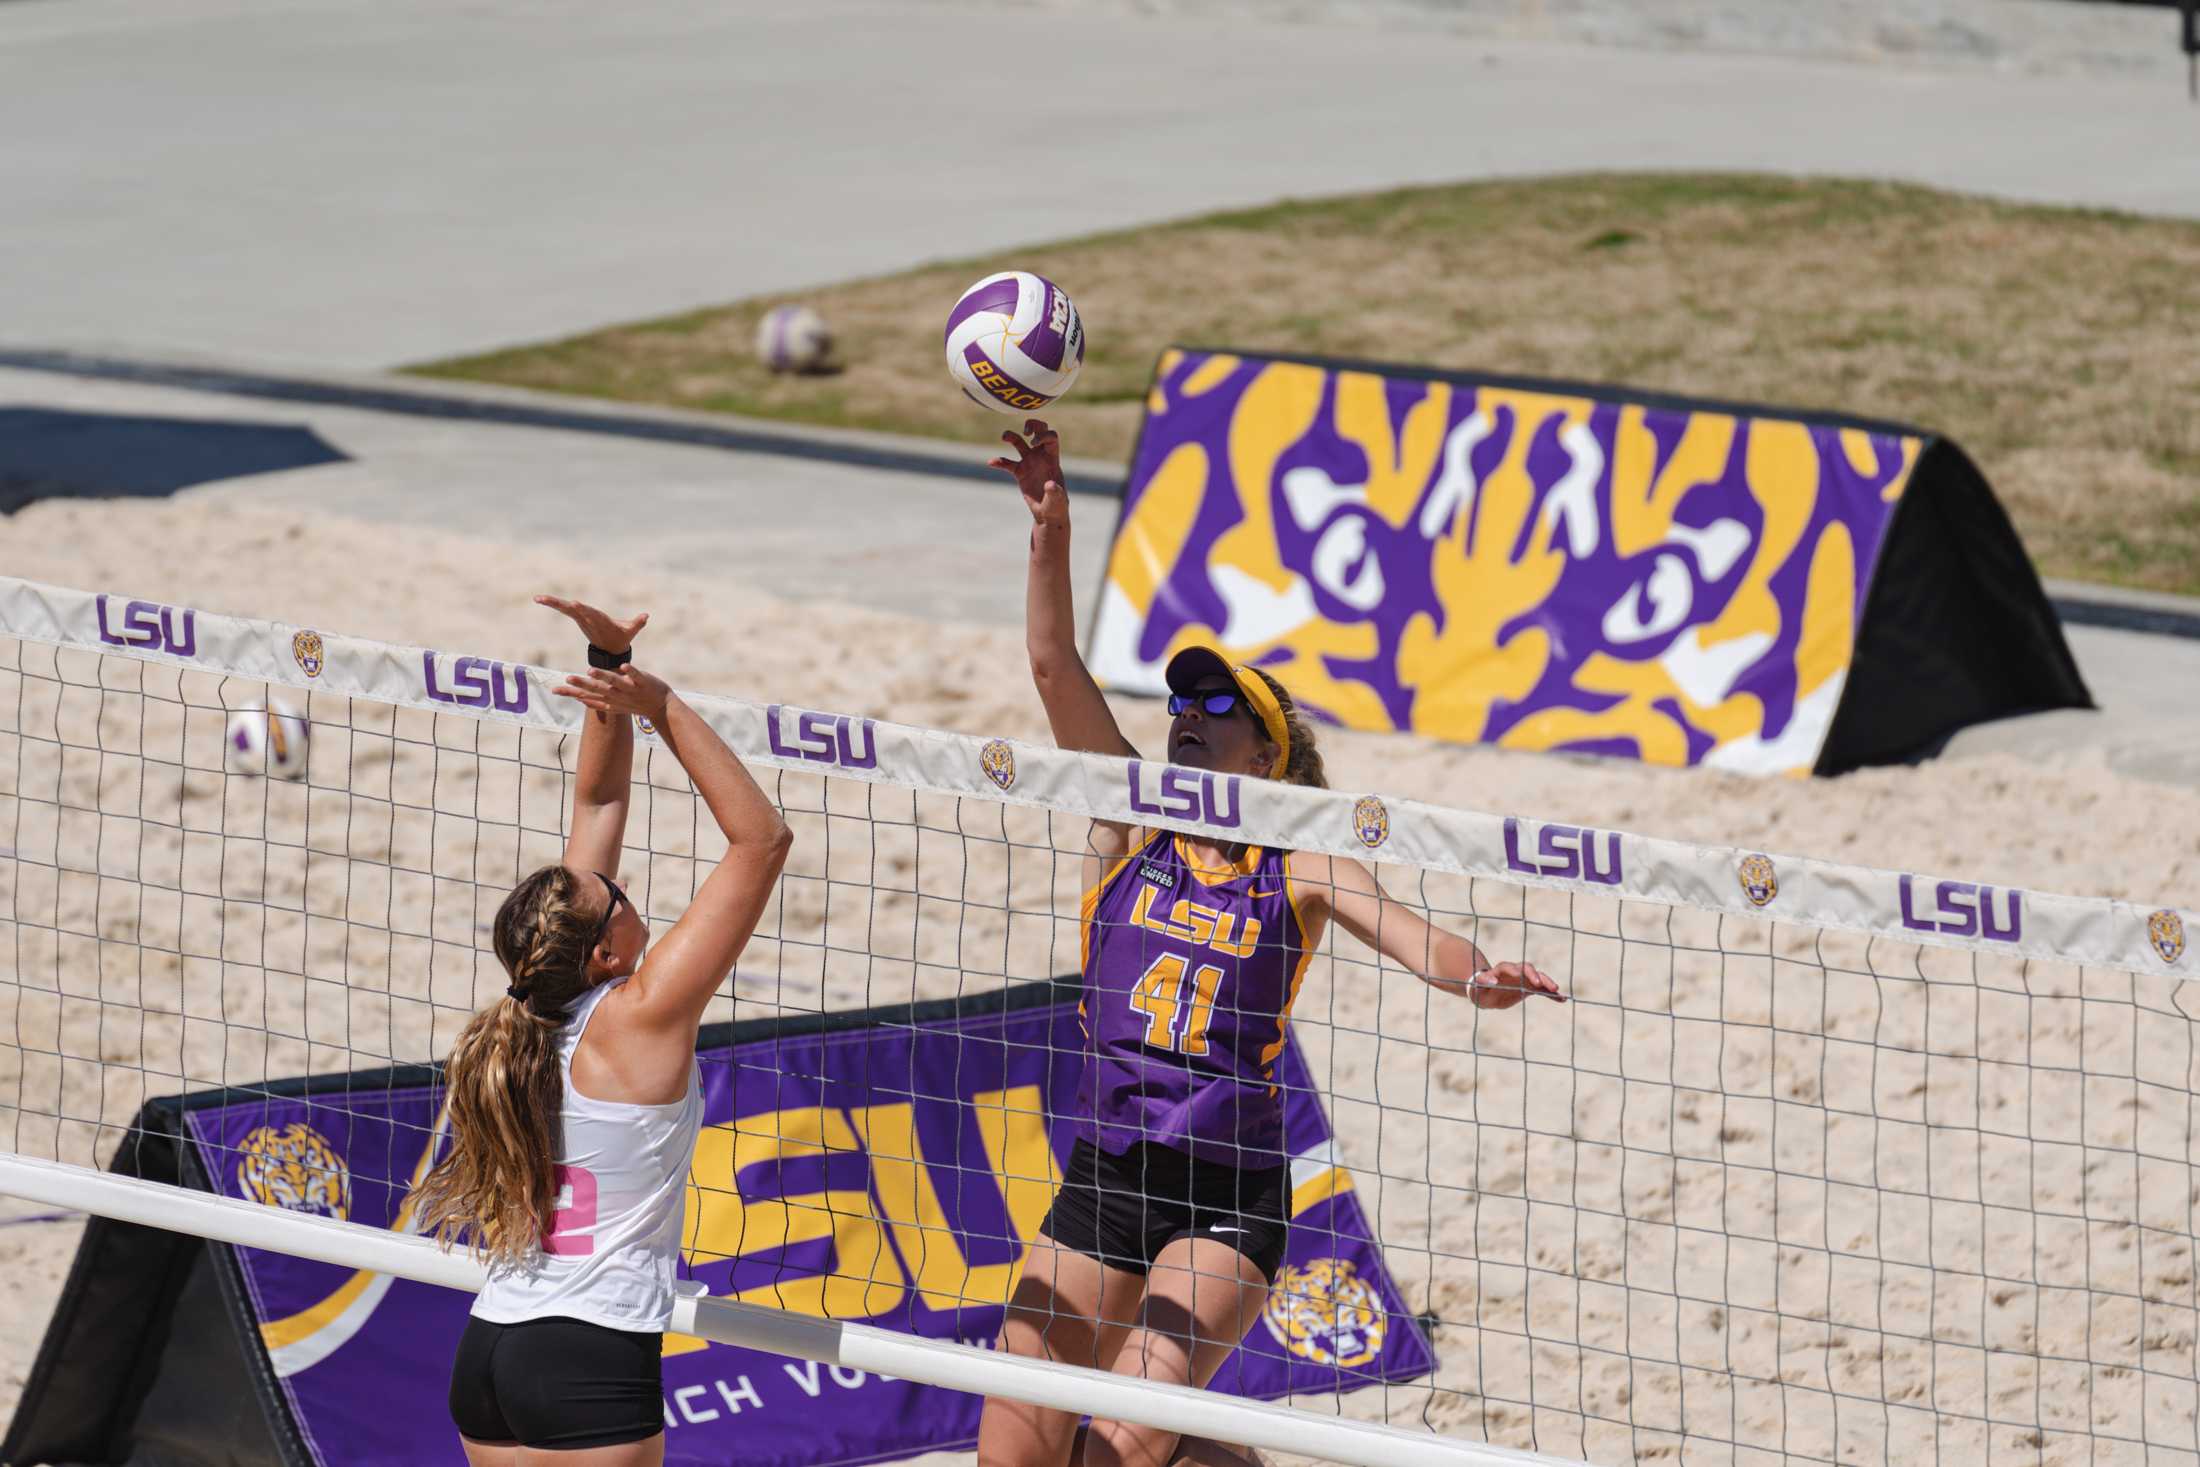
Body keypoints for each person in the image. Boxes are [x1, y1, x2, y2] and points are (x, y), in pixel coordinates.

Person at [976, 421, 1564, 1467]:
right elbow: (1050, 662)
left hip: (1227, 1192)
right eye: (1179, 704)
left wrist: (1481, 978)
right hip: (1106, 1176)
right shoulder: (1130, 819)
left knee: (1121, 1444)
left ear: (1267, 751)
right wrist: (1049, 526)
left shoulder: (1296, 862)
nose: (1187, 716)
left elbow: (1416, 940)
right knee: (1012, 1448)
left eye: (1217, 706)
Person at [412, 596, 793, 1467]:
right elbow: (761, 840)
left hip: (492, 1348)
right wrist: (659, 705)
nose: (627, 893)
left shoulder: (532, 1013)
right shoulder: (640, 1013)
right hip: (588, 1355)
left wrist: (606, 666)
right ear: (603, 951)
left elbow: (600, 796)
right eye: (617, 898)